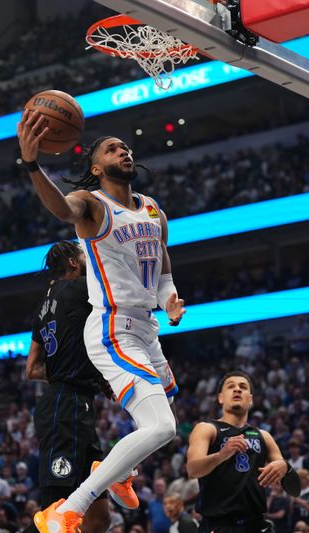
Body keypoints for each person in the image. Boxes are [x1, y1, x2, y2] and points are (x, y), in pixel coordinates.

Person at [18, 111, 185, 533]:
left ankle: (119, 471)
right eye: (112, 148)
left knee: (166, 405)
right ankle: (68, 508)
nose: (123, 150)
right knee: (162, 427)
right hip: (113, 327)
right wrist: (33, 164)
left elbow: (161, 260)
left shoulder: (152, 210)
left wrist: (168, 298)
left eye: (125, 147)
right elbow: (60, 208)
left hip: (146, 328)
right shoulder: (92, 205)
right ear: (96, 168)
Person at [26, 241, 124, 533]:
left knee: (100, 515)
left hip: (76, 402)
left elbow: (32, 368)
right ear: (72, 262)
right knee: (55, 510)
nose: (86, 261)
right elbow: (116, 289)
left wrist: (87, 375)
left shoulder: (43, 305)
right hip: (63, 405)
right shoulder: (80, 287)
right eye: (82, 257)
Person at [186, 371, 289, 532]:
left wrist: (285, 467)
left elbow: (292, 484)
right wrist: (221, 455)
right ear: (221, 398)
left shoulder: (264, 436)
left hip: (257, 524)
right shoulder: (207, 428)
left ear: (250, 399)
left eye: (243, 387)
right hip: (219, 524)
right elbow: (192, 470)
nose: (237, 390)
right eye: (231, 386)